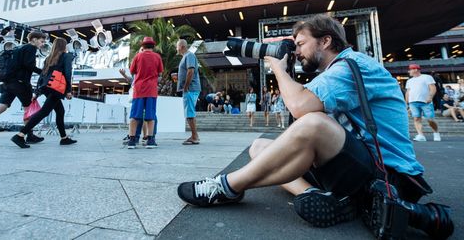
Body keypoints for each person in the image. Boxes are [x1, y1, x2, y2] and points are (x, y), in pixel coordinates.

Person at [177, 14, 425, 229]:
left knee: (314, 123)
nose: (296, 51)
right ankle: (319, 196)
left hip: (386, 176)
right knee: (259, 147)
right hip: (355, 166)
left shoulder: (351, 65)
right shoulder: (334, 72)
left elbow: (300, 108)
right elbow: (298, 110)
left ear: (325, 41)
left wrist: (279, 70)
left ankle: (227, 187)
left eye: (301, 44)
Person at [11, 38, 77, 148]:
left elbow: (43, 75)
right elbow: (68, 73)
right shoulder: (67, 56)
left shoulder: (49, 58)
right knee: (44, 112)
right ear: (64, 46)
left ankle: (64, 138)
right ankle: (20, 135)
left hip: (47, 88)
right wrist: (69, 90)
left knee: (60, 111)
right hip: (56, 88)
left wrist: (37, 92)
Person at [127, 37, 163, 149]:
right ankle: (150, 140)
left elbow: (132, 71)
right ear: (153, 46)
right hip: (151, 90)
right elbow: (160, 74)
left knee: (134, 115)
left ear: (143, 46)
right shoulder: (157, 57)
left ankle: (132, 140)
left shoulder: (138, 56)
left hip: (139, 90)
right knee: (150, 116)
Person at [119, 67, 158, 147]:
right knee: (140, 116)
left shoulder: (147, 69)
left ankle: (148, 137)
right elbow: (132, 81)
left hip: (145, 92)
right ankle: (136, 137)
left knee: (148, 116)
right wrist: (124, 75)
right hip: (140, 93)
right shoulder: (138, 71)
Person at [405, 64, 441, 142]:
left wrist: (430, 97)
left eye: (410, 70)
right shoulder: (409, 81)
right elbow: (408, 92)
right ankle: (421, 135)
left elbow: (433, 88)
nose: (409, 71)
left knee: (430, 119)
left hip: (425, 101)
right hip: (412, 102)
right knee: (416, 118)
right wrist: (406, 103)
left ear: (415, 69)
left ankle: (436, 132)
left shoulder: (427, 77)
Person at [177, 39, 202, 145]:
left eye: (177, 47)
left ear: (182, 46)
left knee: (189, 113)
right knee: (189, 113)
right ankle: (194, 135)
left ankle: (194, 136)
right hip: (190, 89)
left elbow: (190, 71)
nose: (176, 49)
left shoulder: (189, 55)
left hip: (190, 89)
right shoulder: (186, 57)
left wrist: (186, 87)